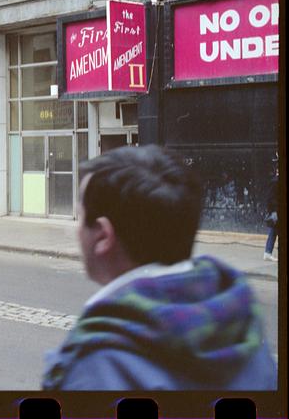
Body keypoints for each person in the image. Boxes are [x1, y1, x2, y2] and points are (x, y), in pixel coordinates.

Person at [42, 144, 276, 391]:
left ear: (102, 236)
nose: (75, 230)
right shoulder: (247, 334)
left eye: (79, 217)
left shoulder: (91, 369)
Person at [263, 157, 279, 262]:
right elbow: (269, 198)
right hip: (276, 211)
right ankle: (267, 253)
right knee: (274, 231)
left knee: (274, 231)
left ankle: (267, 253)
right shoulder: (275, 181)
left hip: (276, 210)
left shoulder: (276, 180)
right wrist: (273, 211)